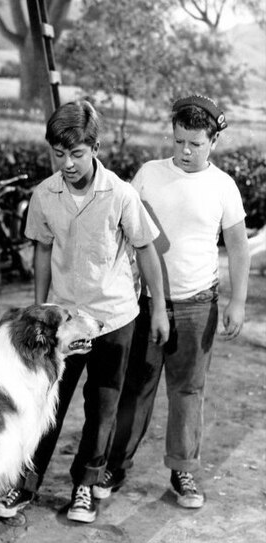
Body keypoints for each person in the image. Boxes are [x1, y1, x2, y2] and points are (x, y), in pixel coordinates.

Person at [0, 100, 169, 523]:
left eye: (76, 154)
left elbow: (146, 252)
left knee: (103, 408)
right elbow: (42, 249)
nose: (67, 163)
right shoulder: (44, 195)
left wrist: (157, 308)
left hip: (113, 320)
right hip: (63, 324)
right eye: (58, 154)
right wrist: (39, 306)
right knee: (45, 404)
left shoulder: (122, 195)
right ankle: (24, 484)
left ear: (95, 147)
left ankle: (85, 486)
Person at [92, 94, 250, 509]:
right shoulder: (148, 175)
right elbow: (123, 232)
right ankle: (114, 465)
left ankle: (183, 470)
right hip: (145, 303)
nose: (184, 151)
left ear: (213, 141)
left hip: (199, 304)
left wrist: (237, 303)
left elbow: (238, 248)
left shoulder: (223, 187)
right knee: (136, 389)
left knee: (188, 391)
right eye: (178, 141)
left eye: (195, 144)